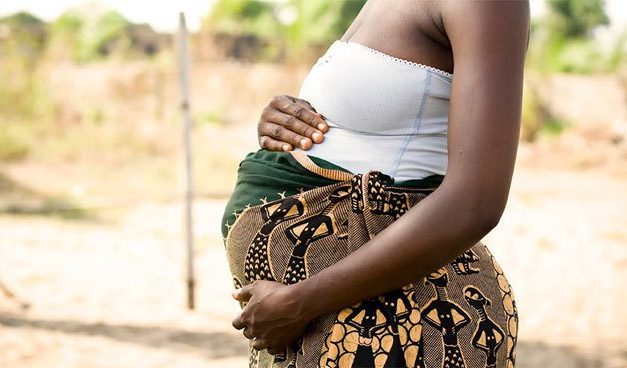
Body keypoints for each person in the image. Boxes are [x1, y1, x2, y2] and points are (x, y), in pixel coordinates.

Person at [222, 1, 529, 367]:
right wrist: (286, 121)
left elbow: (476, 203)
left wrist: (299, 302)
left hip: (397, 322)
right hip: (334, 319)